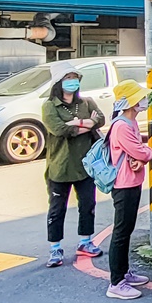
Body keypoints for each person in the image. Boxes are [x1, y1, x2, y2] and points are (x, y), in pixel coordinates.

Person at [41, 68, 106, 268]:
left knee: (87, 204)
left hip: (86, 164)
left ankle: (85, 241)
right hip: (60, 166)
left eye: (75, 78)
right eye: (68, 78)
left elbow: (101, 119)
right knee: (57, 209)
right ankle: (55, 248)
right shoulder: (50, 106)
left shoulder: (86, 102)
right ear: (59, 82)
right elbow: (59, 130)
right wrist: (87, 124)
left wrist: (78, 123)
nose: (72, 82)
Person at [104, 80, 152, 300]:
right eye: (140, 97)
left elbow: (139, 152)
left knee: (126, 230)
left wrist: (142, 154)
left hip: (132, 181)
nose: (144, 100)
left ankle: (123, 273)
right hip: (123, 184)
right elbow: (142, 152)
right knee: (121, 233)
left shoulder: (130, 123)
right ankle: (116, 282)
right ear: (131, 102)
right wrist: (147, 153)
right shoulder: (122, 126)